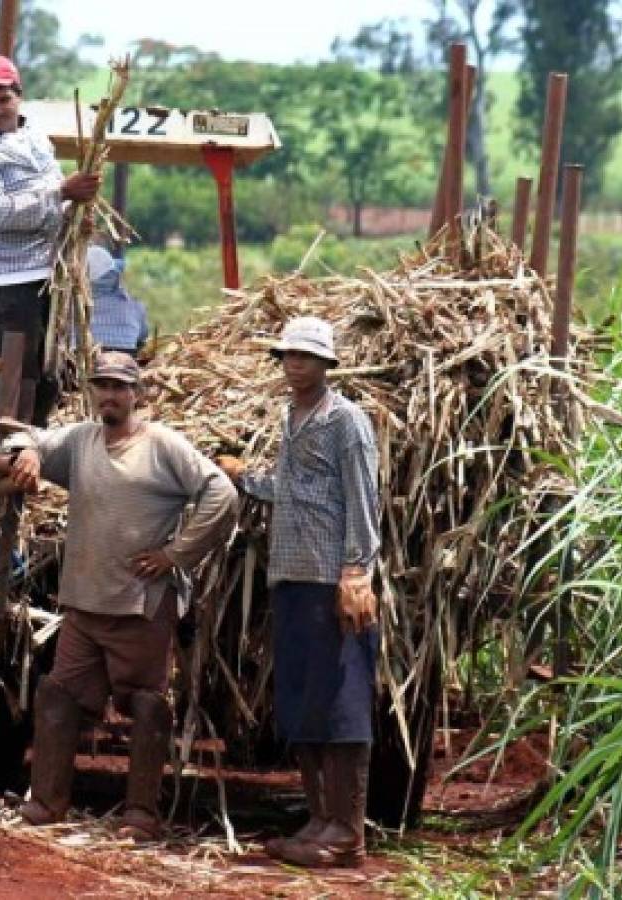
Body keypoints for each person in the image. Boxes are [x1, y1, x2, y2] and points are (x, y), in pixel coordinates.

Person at [7, 352, 238, 840]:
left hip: (139, 604)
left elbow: (221, 493)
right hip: (84, 603)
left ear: (138, 394)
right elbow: (27, 435)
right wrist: (28, 451)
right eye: (102, 386)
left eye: (119, 387)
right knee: (59, 694)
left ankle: (141, 814)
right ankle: (47, 803)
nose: (109, 395)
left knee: (146, 703)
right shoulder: (81, 440)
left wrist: (176, 555)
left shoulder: (162, 446)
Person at [216, 316, 381, 869]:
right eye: (288, 355)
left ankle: (346, 831)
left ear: (327, 364)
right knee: (304, 701)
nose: (295, 363)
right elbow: (294, 491)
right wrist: (244, 477)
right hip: (291, 577)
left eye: (306, 356)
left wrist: (356, 571)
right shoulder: (293, 417)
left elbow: (363, 498)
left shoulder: (345, 421)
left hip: (331, 581)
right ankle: (319, 819)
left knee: (343, 702)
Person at [0, 53, 101, 426]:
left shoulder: (34, 137)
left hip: (47, 277)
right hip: (6, 286)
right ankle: (6, 459)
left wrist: (74, 216)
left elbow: (54, 197)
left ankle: (33, 452)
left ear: (19, 96)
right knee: (12, 380)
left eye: (4, 98)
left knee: (47, 374)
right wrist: (62, 192)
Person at [86, 245, 148, 356]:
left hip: (79, 364)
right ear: (113, 275)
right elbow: (142, 337)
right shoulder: (134, 306)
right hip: (124, 364)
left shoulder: (70, 308)